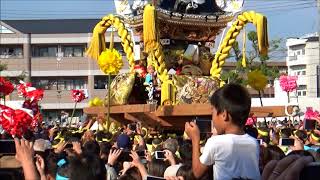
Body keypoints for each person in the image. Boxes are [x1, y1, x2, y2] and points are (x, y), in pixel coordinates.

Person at [185, 83, 260, 180]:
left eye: (213, 113)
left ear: (224, 115)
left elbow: (197, 172)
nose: (212, 118)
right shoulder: (253, 143)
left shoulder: (216, 142)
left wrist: (195, 139)